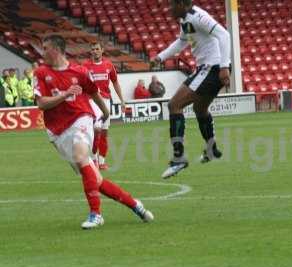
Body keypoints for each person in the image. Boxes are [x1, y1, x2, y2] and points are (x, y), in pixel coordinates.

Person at [33, 35, 153, 229]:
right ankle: (135, 205)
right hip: (56, 130)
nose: (42, 52)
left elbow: (93, 92)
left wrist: (105, 112)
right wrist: (65, 94)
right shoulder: (40, 73)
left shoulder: (79, 71)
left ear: (56, 49)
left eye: (45, 48)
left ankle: (96, 215)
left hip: (81, 118)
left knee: (81, 156)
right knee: (95, 179)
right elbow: (41, 104)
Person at [151, 0, 231, 179]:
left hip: (213, 67)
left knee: (174, 105)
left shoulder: (198, 16)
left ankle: (179, 158)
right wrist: (160, 57)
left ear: (182, 4)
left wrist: (224, 66)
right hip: (209, 67)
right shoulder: (185, 19)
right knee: (199, 109)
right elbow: (181, 42)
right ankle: (211, 149)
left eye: (173, 5)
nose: (170, 9)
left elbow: (224, 35)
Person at [83, 42, 126, 170]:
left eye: (97, 49)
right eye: (93, 49)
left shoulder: (108, 65)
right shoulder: (85, 66)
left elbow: (115, 83)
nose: (95, 51)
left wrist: (122, 100)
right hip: (92, 101)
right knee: (96, 128)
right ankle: (94, 160)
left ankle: (101, 161)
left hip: (106, 101)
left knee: (104, 132)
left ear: (102, 50)